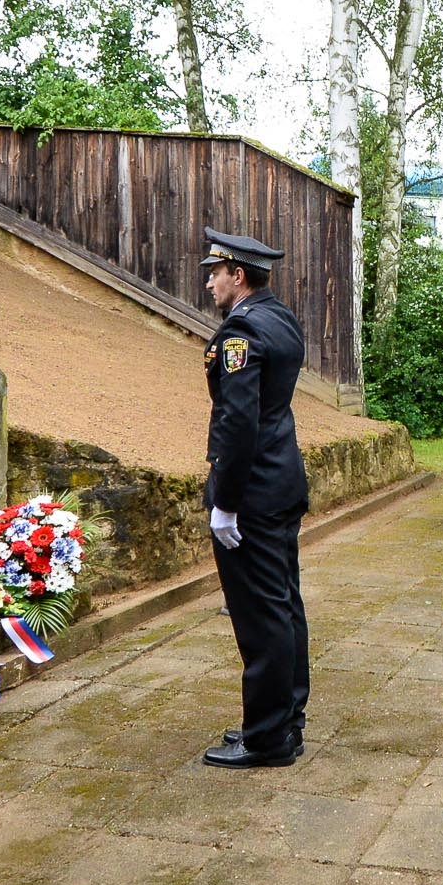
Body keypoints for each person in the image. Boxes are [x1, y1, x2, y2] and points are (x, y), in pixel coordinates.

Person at [200, 228, 311, 769]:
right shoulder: (280, 317)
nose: (209, 283)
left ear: (238, 275)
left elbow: (239, 423)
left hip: (254, 495)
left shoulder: (240, 332)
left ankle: (268, 739)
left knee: (261, 615)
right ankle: (286, 719)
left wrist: (225, 503)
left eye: (215, 273)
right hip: (282, 481)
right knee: (285, 605)